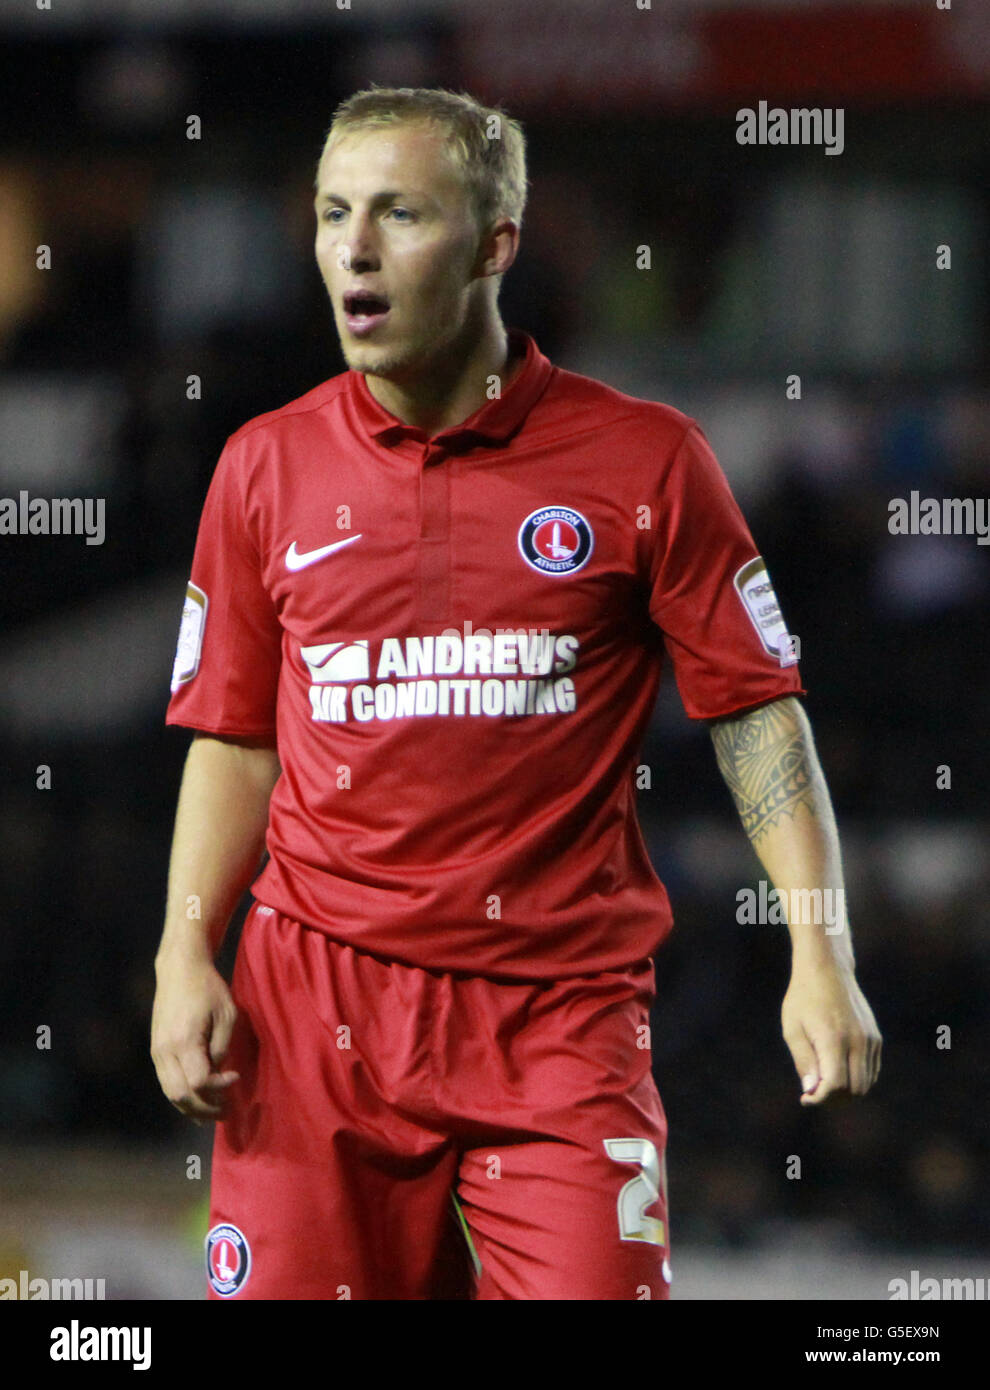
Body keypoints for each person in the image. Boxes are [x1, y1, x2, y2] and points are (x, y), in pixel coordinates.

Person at [151, 86, 882, 1301]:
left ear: (496, 245)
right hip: (316, 1008)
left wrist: (821, 946)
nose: (355, 248)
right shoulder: (261, 468)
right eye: (335, 213)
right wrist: (186, 951)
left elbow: (757, 713)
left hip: (561, 1019)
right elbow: (232, 739)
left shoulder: (646, 461)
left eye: (400, 213)